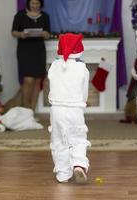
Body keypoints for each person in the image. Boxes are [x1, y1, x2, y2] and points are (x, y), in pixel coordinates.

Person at [48, 33, 91, 183]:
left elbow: (51, 86)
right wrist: (82, 102)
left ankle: (63, 173)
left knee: (59, 140)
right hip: (75, 109)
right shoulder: (82, 69)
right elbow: (84, 93)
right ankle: (78, 165)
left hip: (57, 109)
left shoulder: (54, 66)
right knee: (77, 138)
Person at [11, 0, 50, 112]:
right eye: (33, 3)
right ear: (28, 3)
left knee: (37, 81)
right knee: (28, 80)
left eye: (37, 3)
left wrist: (45, 34)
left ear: (40, 4)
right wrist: (21, 34)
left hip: (39, 51)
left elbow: (48, 34)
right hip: (24, 50)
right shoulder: (20, 15)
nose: (35, 6)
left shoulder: (45, 16)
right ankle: (26, 110)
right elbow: (13, 32)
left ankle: (32, 112)